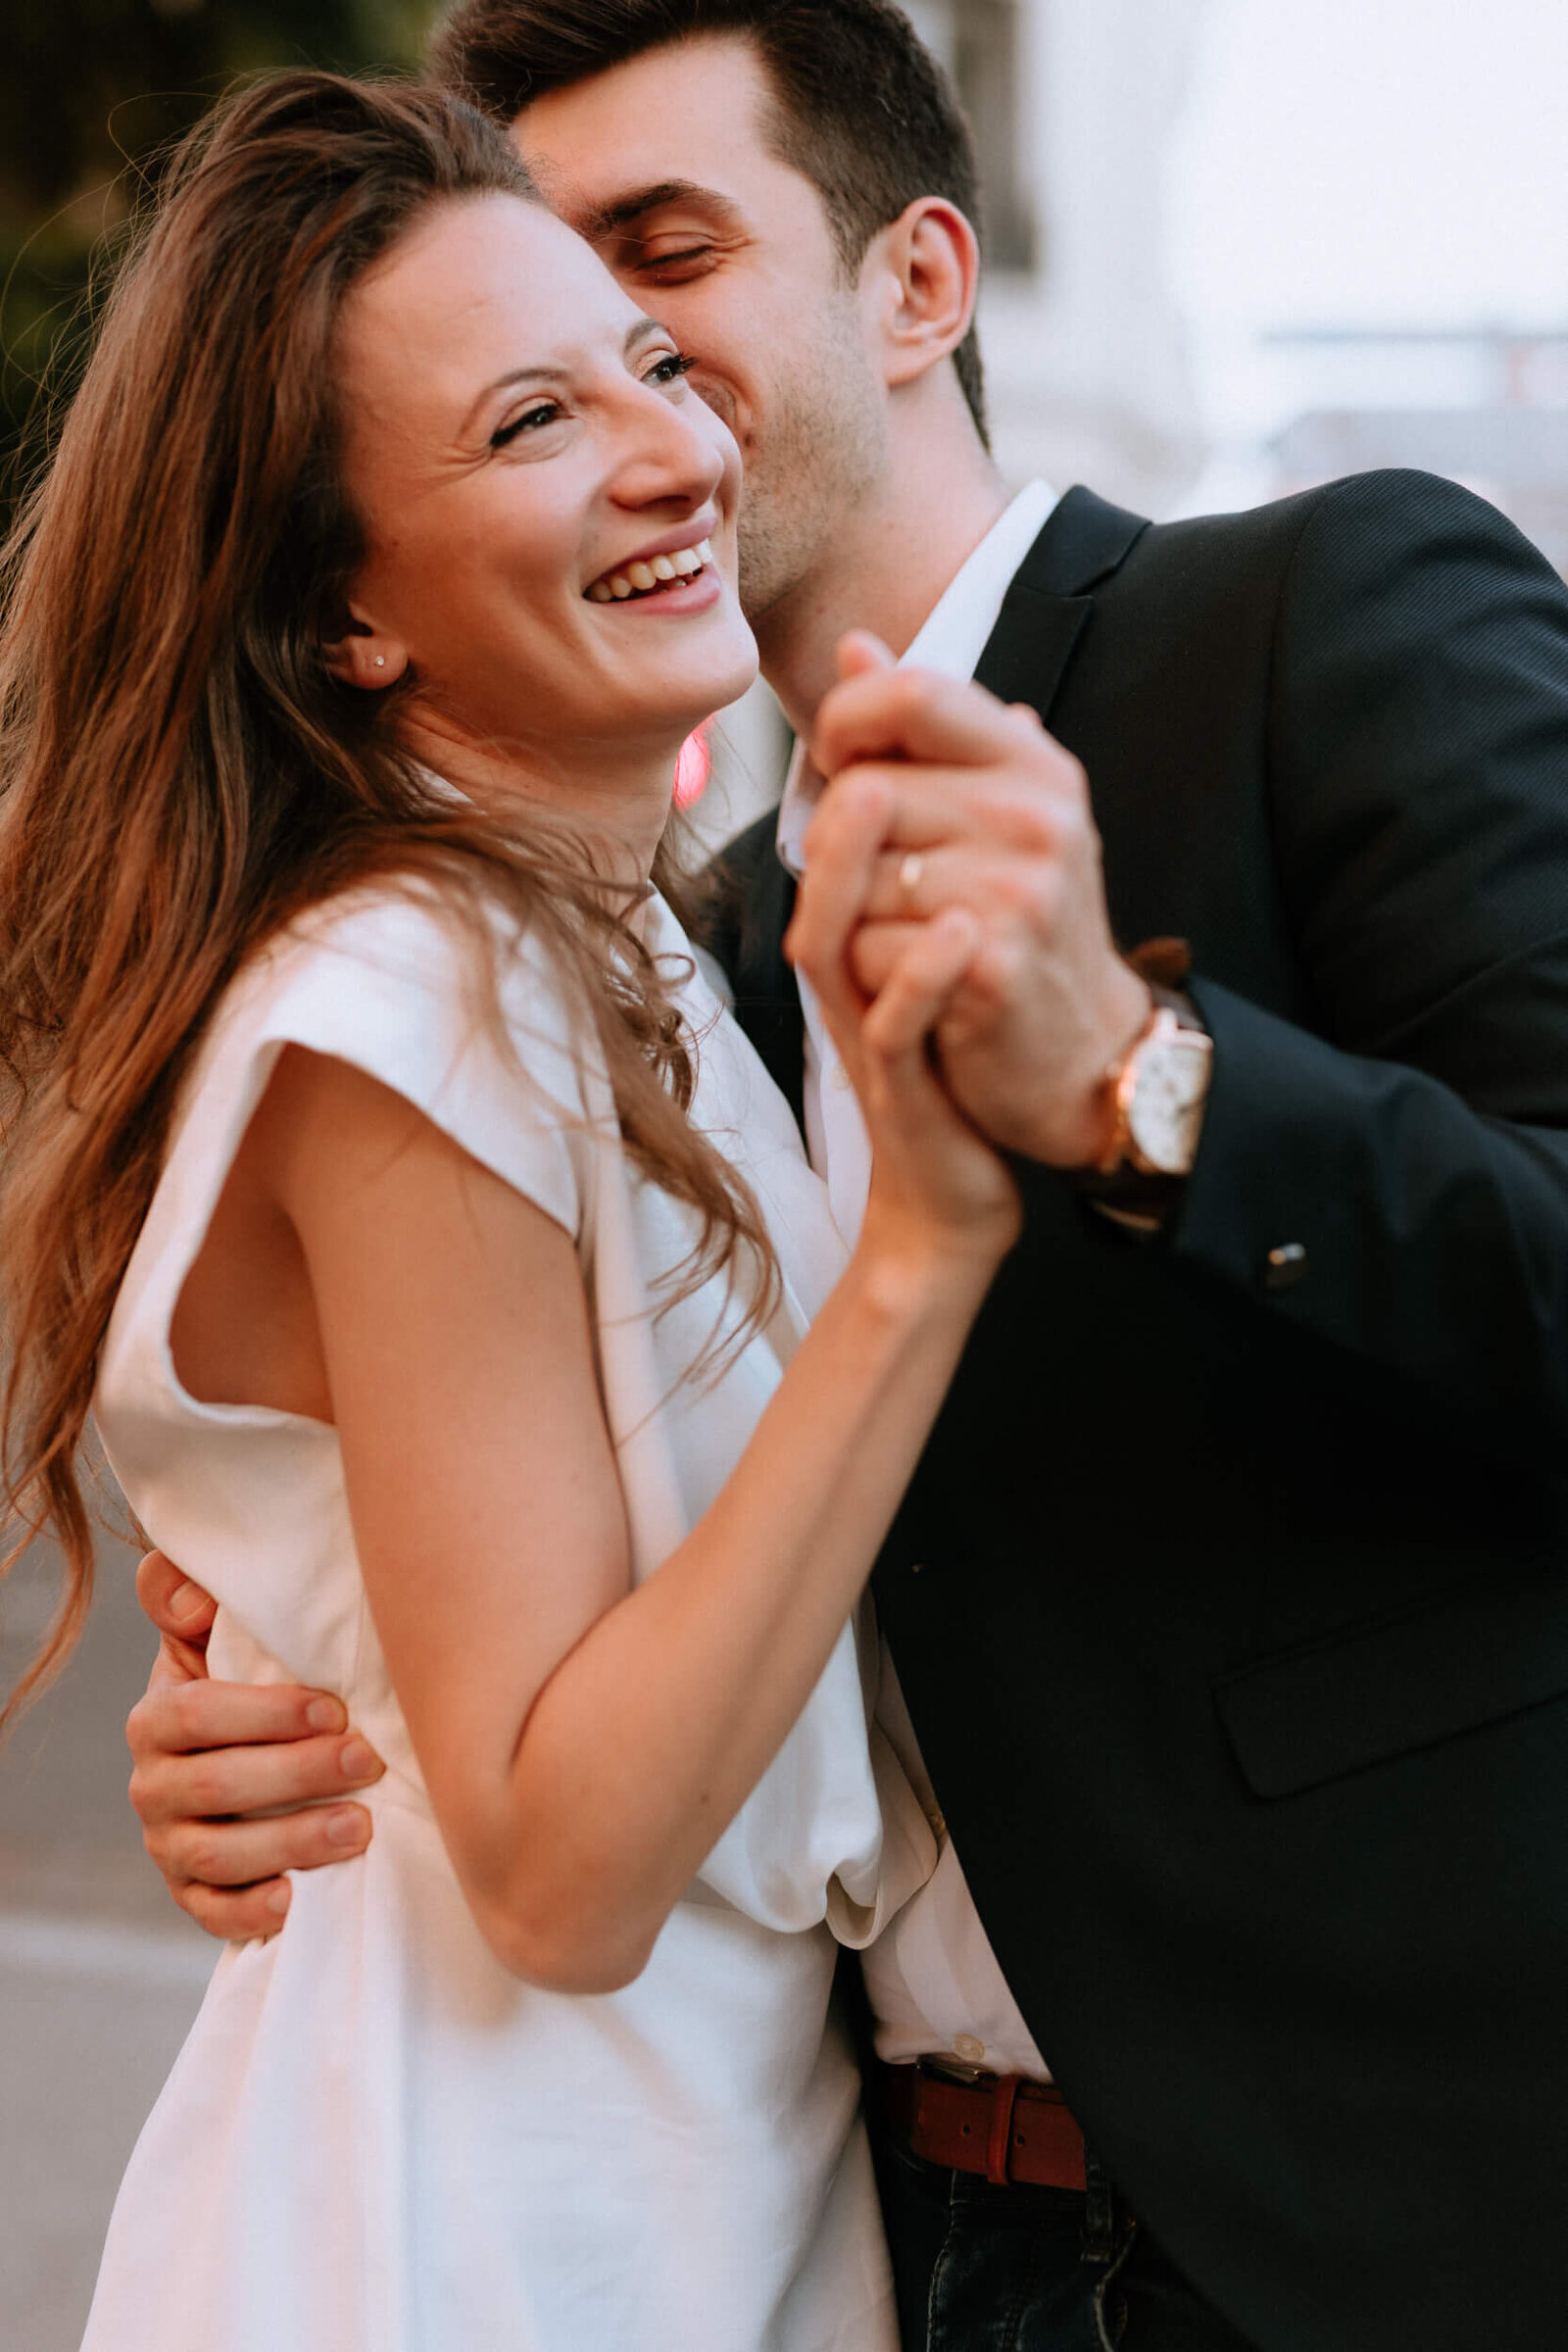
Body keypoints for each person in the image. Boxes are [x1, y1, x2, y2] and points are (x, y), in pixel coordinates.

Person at [125, 5, 1568, 2348]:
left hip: (1367, 2222)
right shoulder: (650, 955)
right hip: (885, 2236)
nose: (628, 384)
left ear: (916, 282)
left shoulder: (1317, 619)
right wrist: (326, 1677)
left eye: (654, 262)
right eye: (522, 340)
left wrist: (1140, 1079)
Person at [0, 67, 1039, 2352]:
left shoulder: (615, 951)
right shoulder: (419, 984)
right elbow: (561, 1869)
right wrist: (921, 1254)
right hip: (486, 2231)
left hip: (664, 2184)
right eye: (527, 422)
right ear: (346, 617)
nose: (669, 449)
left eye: (654, 364)